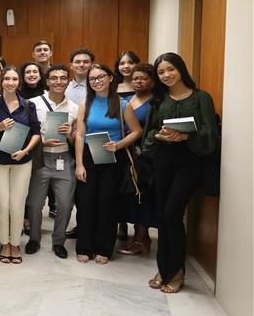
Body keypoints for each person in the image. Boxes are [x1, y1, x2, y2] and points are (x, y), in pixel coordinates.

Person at [142, 53, 218, 293]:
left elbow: (210, 133)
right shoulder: (159, 100)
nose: (166, 75)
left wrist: (186, 136)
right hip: (164, 161)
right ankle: (163, 269)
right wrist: (159, 135)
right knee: (162, 215)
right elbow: (149, 132)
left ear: (181, 69)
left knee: (173, 213)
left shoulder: (201, 98)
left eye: (170, 69)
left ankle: (176, 271)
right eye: (161, 72)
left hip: (190, 162)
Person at [74, 63, 142, 264]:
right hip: (88, 156)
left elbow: (137, 131)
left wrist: (119, 145)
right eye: (92, 79)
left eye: (100, 77)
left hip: (113, 158)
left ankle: (103, 249)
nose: (96, 81)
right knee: (85, 203)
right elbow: (80, 135)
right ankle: (84, 247)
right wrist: (79, 164)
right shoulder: (85, 103)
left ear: (110, 77)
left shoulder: (122, 104)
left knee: (107, 204)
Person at [0, 66, 41, 265]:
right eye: (7, 79)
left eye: (14, 79)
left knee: (17, 205)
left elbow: (36, 133)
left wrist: (26, 150)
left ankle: (15, 244)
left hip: (22, 161)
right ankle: (4, 243)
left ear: (19, 82)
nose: (10, 82)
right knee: (2, 205)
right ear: (1, 81)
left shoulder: (28, 105)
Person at [25, 65, 78, 258]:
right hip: (41, 158)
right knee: (34, 204)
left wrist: (70, 134)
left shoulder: (75, 108)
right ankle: (34, 238)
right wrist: (41, 142)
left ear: (68, 81)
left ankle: (58, 241)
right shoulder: (32, 103)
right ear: (47, 81)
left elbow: (78, 139)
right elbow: (27, 132)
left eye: (63, 78)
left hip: (64, 159)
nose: (58, 82)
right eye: (54, 78)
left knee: (65, 204)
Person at [118, 63, 157, 257]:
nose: (138, 82)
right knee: (128, 197)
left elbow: (154, 128)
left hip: (144, 157)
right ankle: (135, 236)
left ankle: (142, 239)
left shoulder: (156, 102)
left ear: (152, 81)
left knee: (142, 197)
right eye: (135, 79)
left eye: (143, 78)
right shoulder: (126, 100)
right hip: (124, 154)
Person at [64, 48, 94, 240]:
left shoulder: (96, 85)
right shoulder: (65, 87)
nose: (81, 64)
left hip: (91, 143)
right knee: (77, 188)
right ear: (71, 65)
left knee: (91, 188)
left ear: (91, 64)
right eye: (77, 61)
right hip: (69, 142)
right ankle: (81, 225)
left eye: (85, 61)